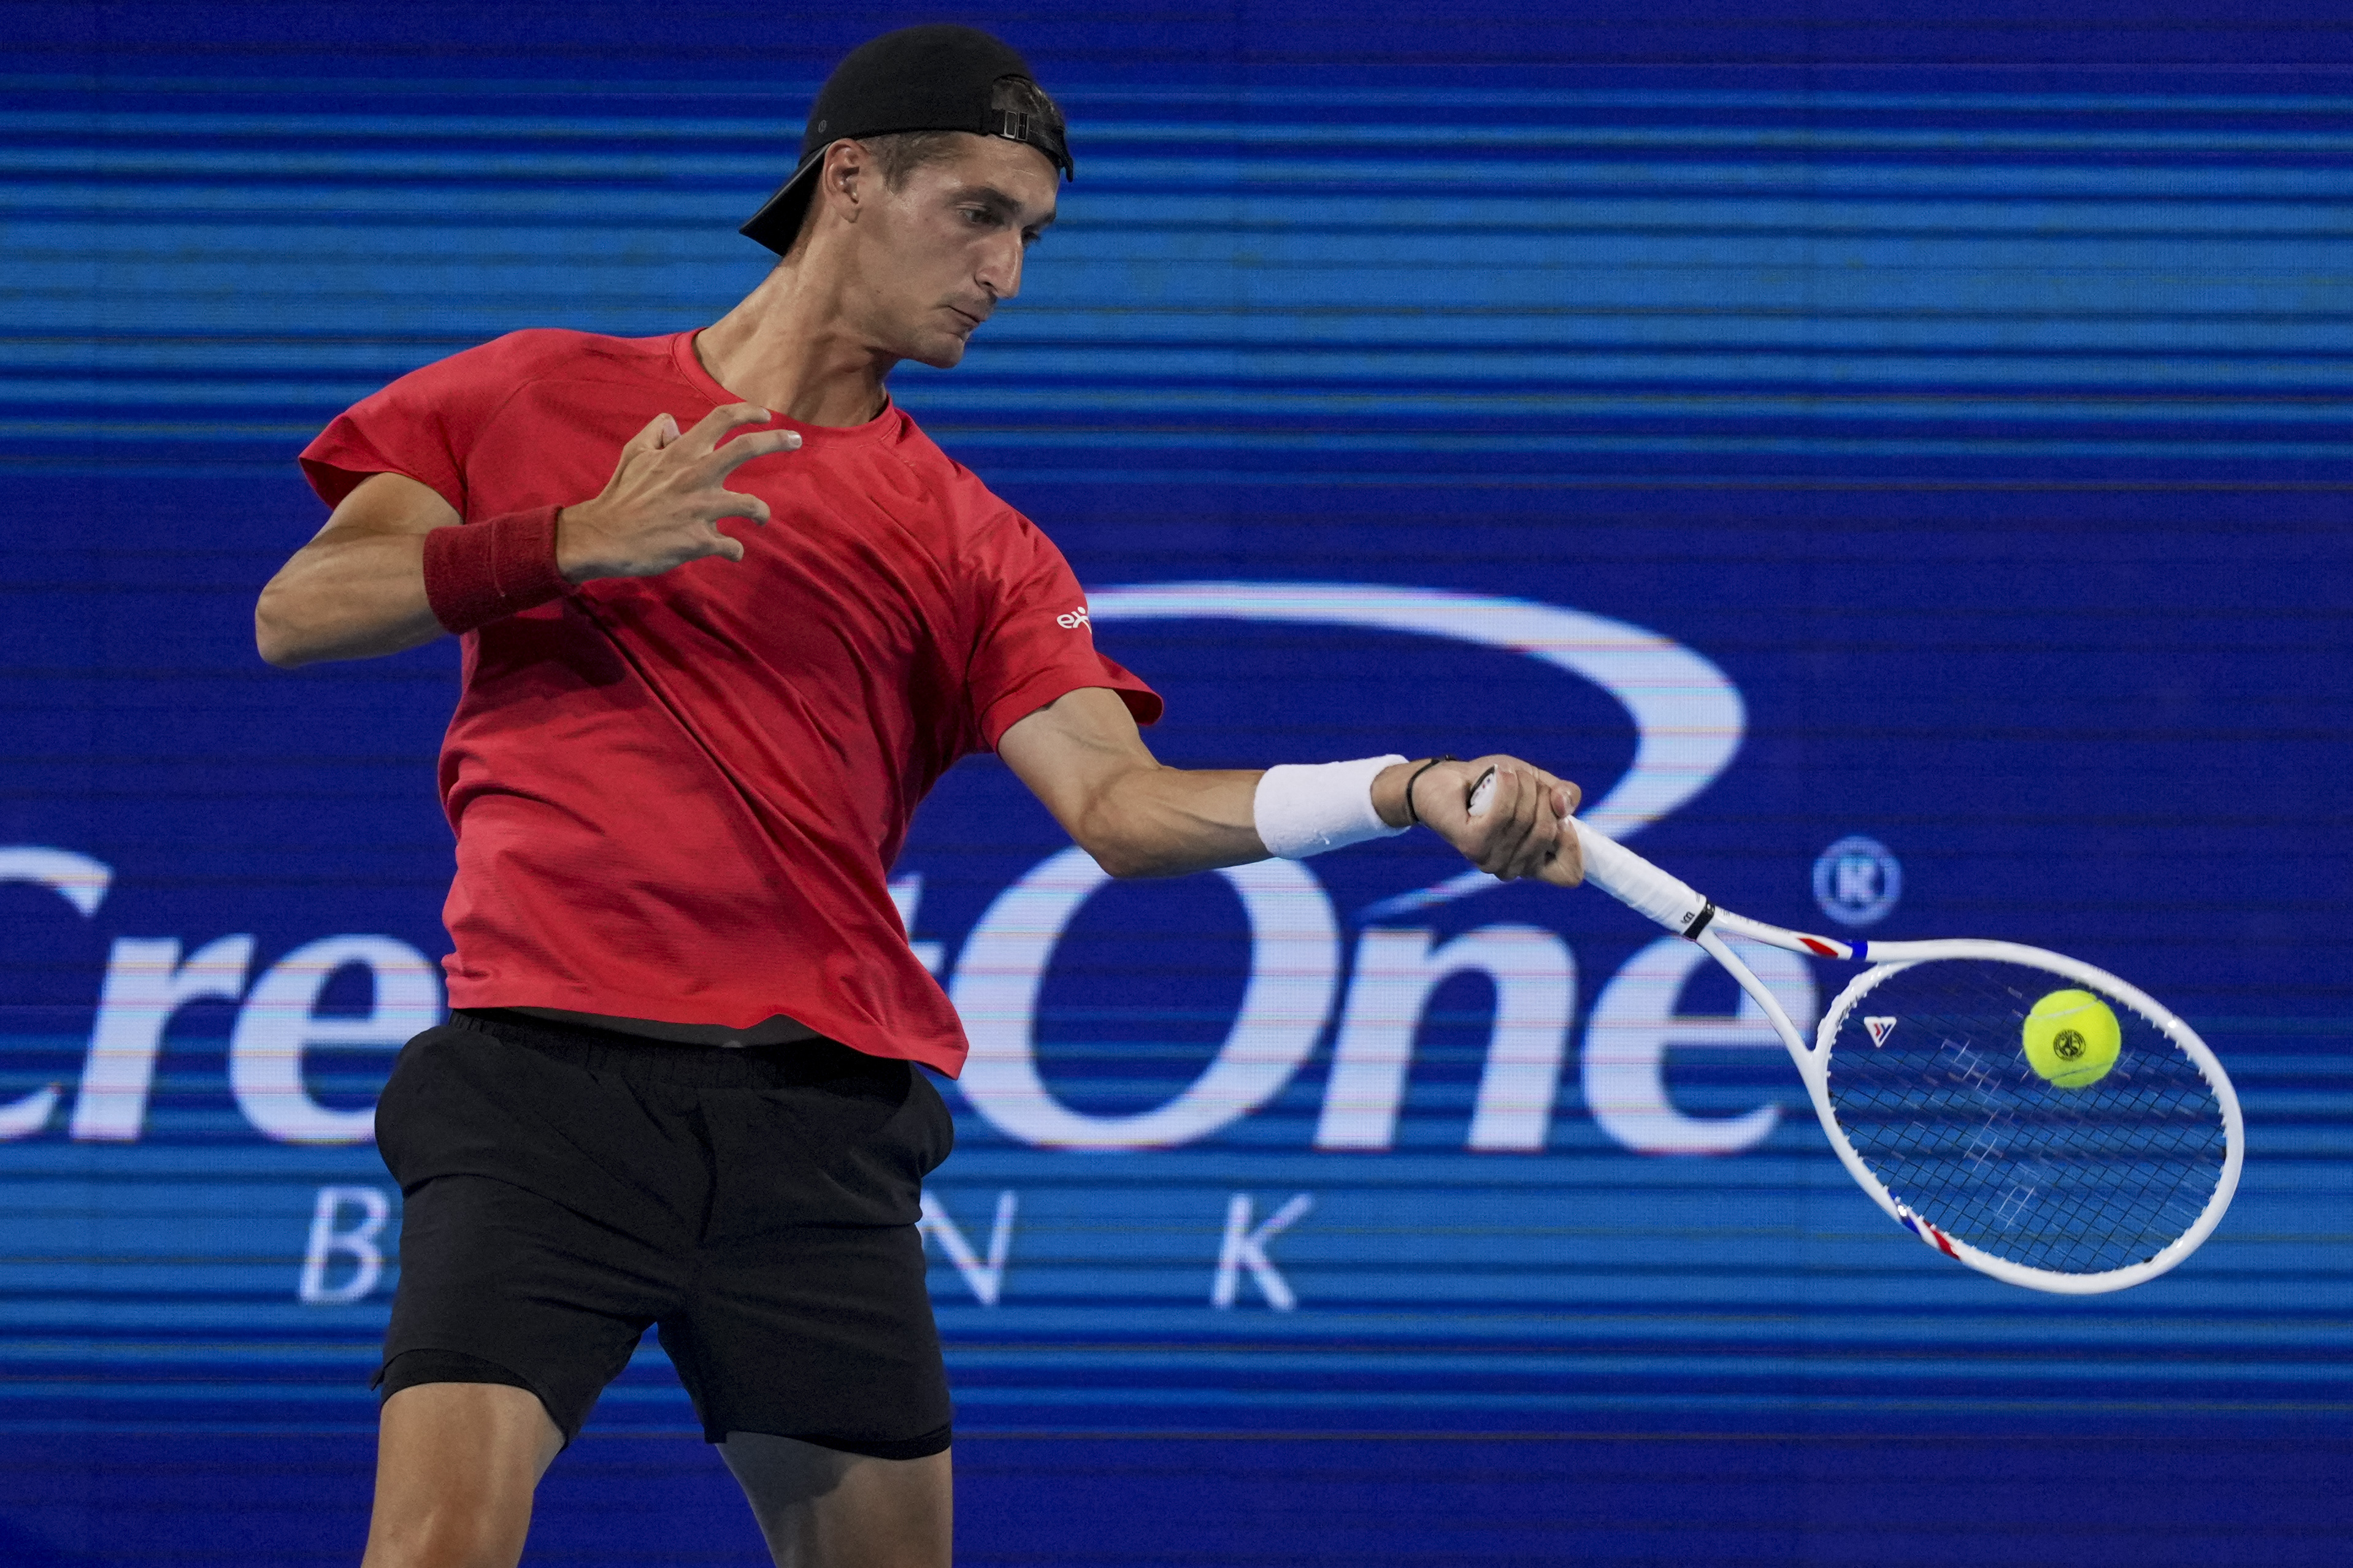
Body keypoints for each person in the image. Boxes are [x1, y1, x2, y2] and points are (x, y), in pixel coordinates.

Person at [254, 23, 1583, 1568]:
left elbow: (1119, 808)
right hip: (543, 1093)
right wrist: (562, 543)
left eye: (1029, 236)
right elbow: (302, 607)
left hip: (815, 1125)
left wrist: (1405, 789)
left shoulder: (977, 544)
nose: (1004, 272)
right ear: (851, 179)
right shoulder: (530, 395)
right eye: (977, 213)